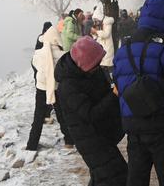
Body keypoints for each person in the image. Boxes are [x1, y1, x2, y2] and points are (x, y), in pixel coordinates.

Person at [112, 0, 164, 186]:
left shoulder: (125, 47)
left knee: (136, 180)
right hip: (163, 126)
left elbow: (119, 84)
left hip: (133, 125)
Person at [55, 37, 128, 185]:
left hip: (101, 134)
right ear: (85, 64)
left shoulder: (88, 73)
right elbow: (90, 114)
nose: (99, 65)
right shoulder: (68, 86)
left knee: (103, 177)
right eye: (96, 63)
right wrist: (114, 95)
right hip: (89, 139)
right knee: (117, 176)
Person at [27, 24, 74, 150]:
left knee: (38, 117)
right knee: (62, 115)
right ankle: (69, 141)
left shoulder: (38, 53)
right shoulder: (64, 55)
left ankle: (31, 145)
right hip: (58, 88)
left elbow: (35, 67)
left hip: (42, 88)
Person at [92, 8, 116, 77]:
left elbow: (106, 34)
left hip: (107, 47)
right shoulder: (100, 23)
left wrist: (96, 32)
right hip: (102, 47)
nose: (95, 22)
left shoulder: (107, 22)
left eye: (96, 20)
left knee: (107, 66)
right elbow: (99, 37)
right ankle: (107, 81)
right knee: (103, 66)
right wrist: (94, 34)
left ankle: (111, 82)